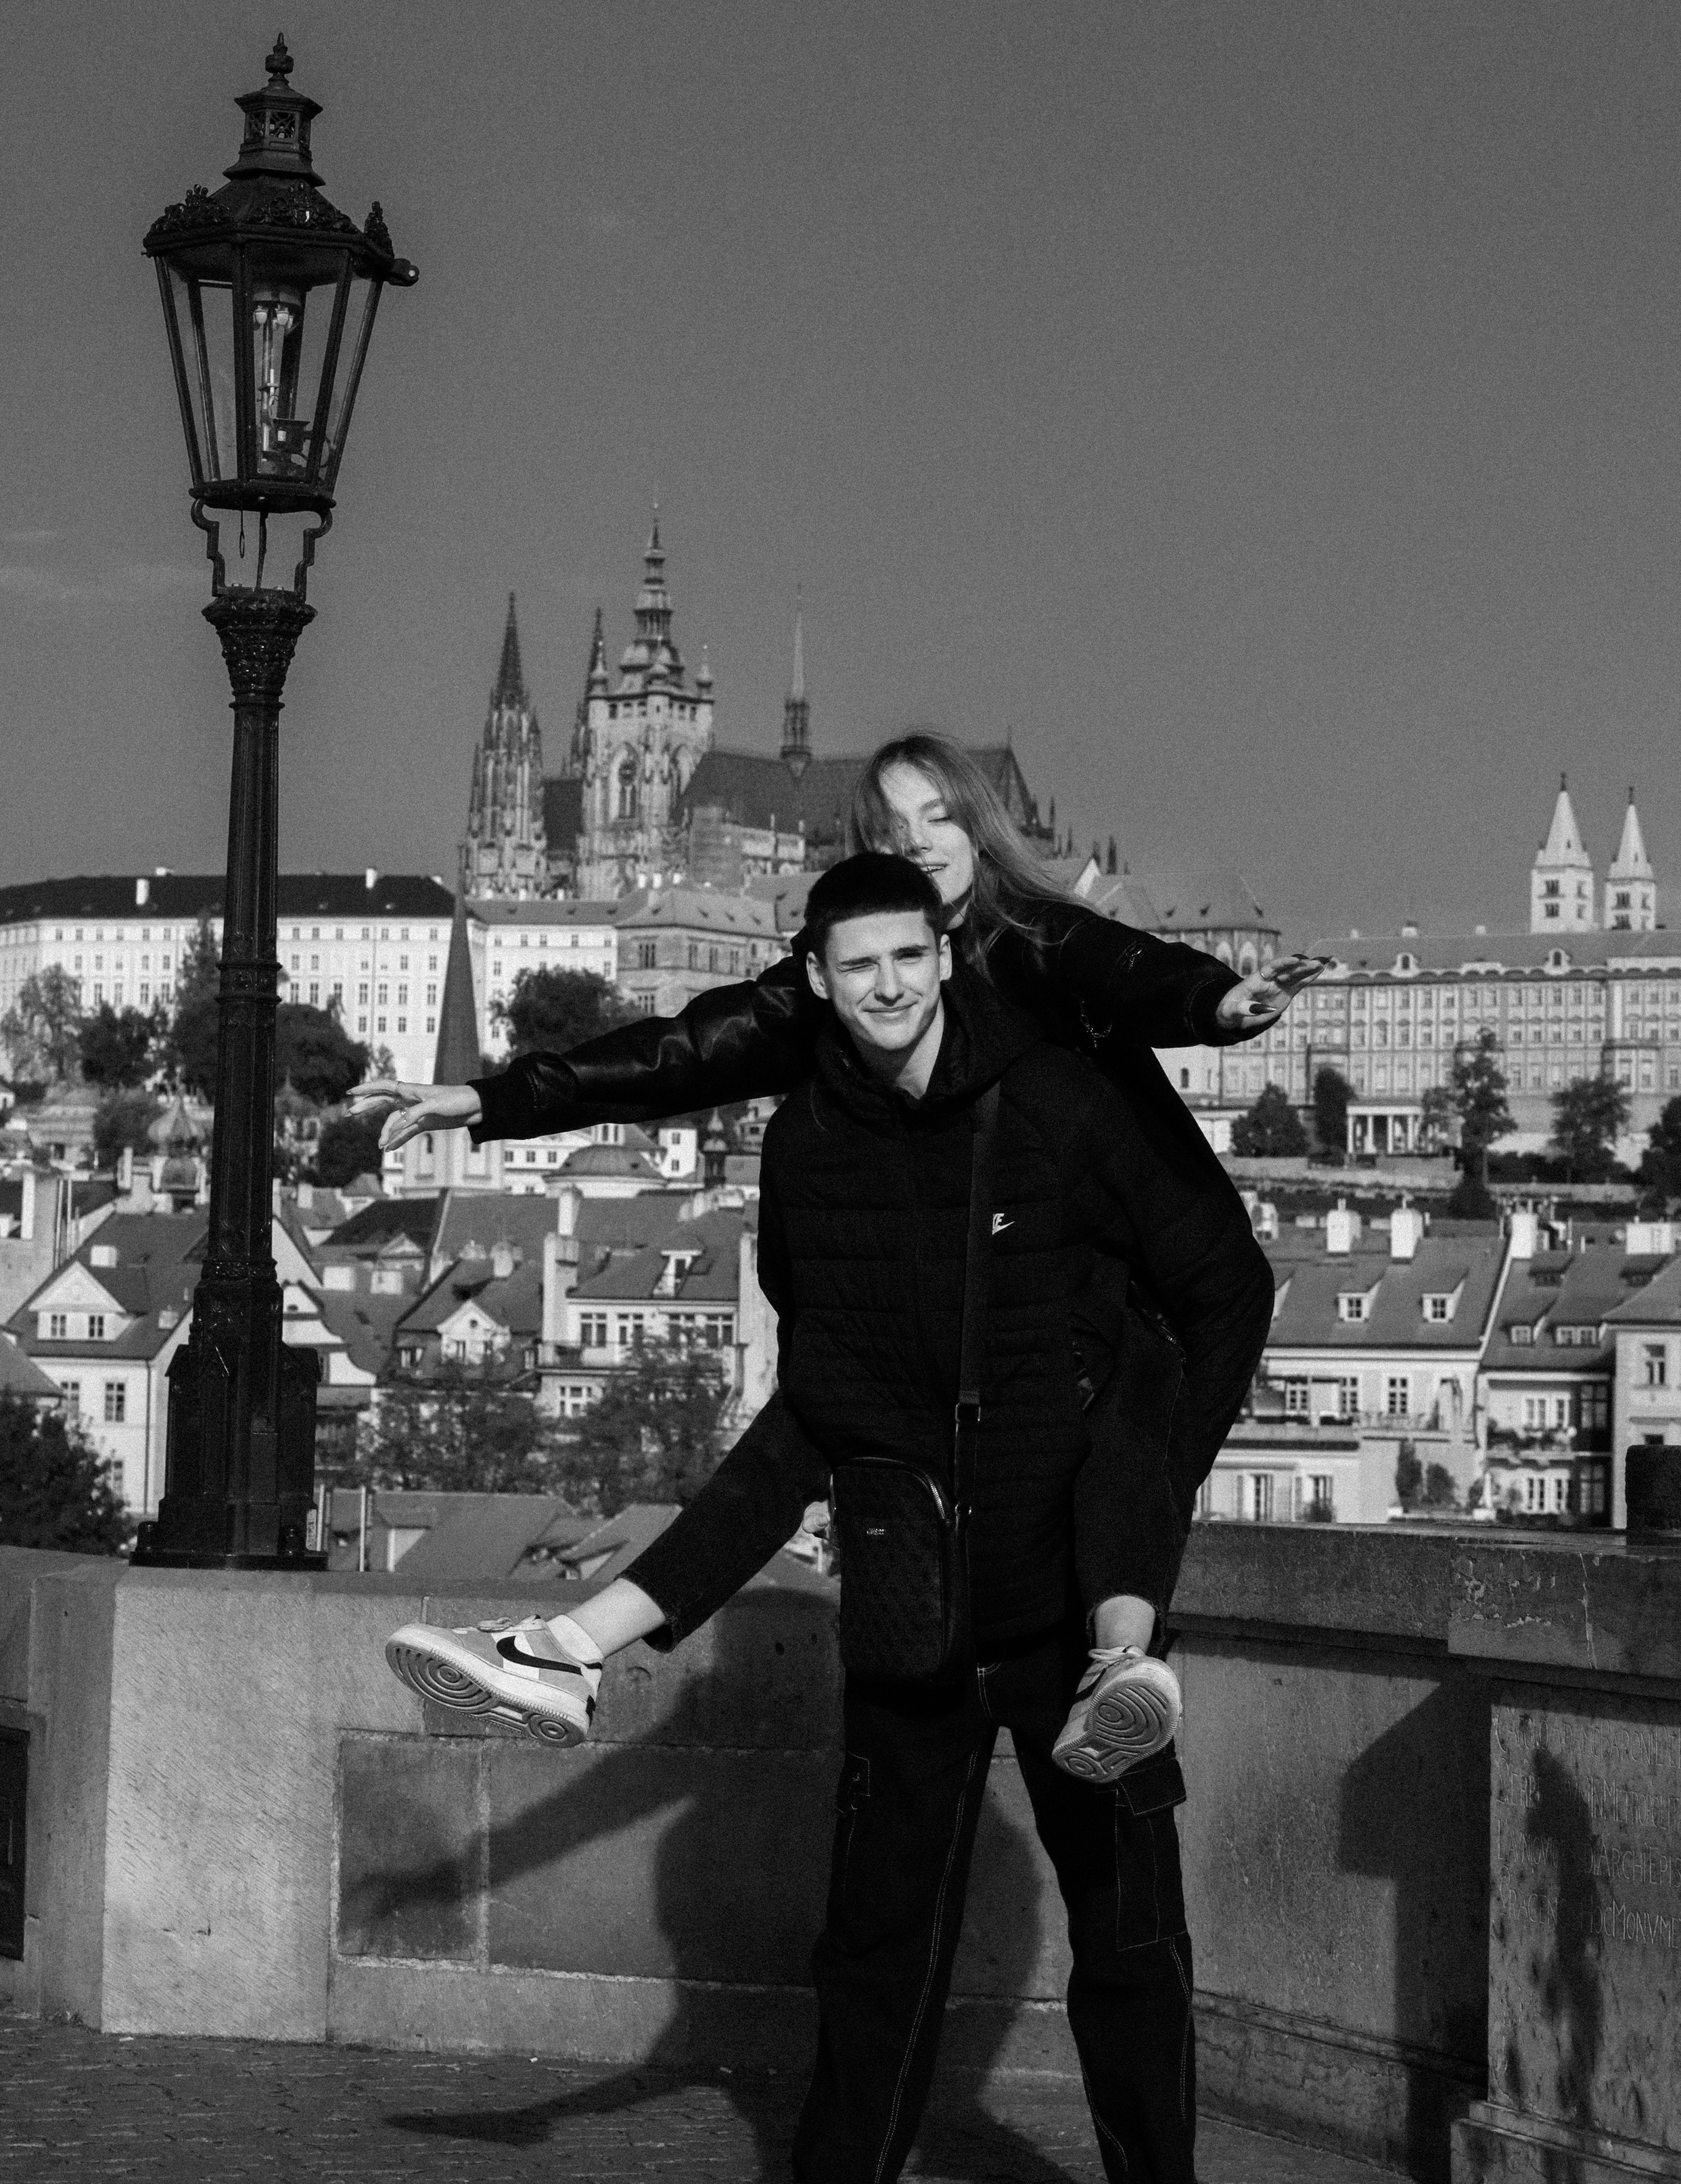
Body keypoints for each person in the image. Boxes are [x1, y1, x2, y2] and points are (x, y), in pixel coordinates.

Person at [385, 853, 1218, 2184]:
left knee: (1124, 1943)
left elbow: (1184, 1297)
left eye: (905, 957)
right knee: (872, 1951)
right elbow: (813, 1404)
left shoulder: (1055, 1097)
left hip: (1065, 1560)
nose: (884, 985)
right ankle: (566, 1649)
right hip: (919, 1587)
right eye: (855, 967)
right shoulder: (809, 1140)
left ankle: (1126, 1660)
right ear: (816, 982)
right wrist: (495, 1105)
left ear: (943, 955)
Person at [352, 731, 1319, 1506]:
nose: (920, 844)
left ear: (979, 829)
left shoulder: (1031, 934)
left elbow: (1126, 969)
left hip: (1186, 1280)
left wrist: (1218, 1006)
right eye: (895, 830)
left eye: (939, 816)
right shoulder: (861, 971)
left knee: (1127, 1527)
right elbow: (689, 1051)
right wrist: (489, 1098)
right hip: (1072, 1302)